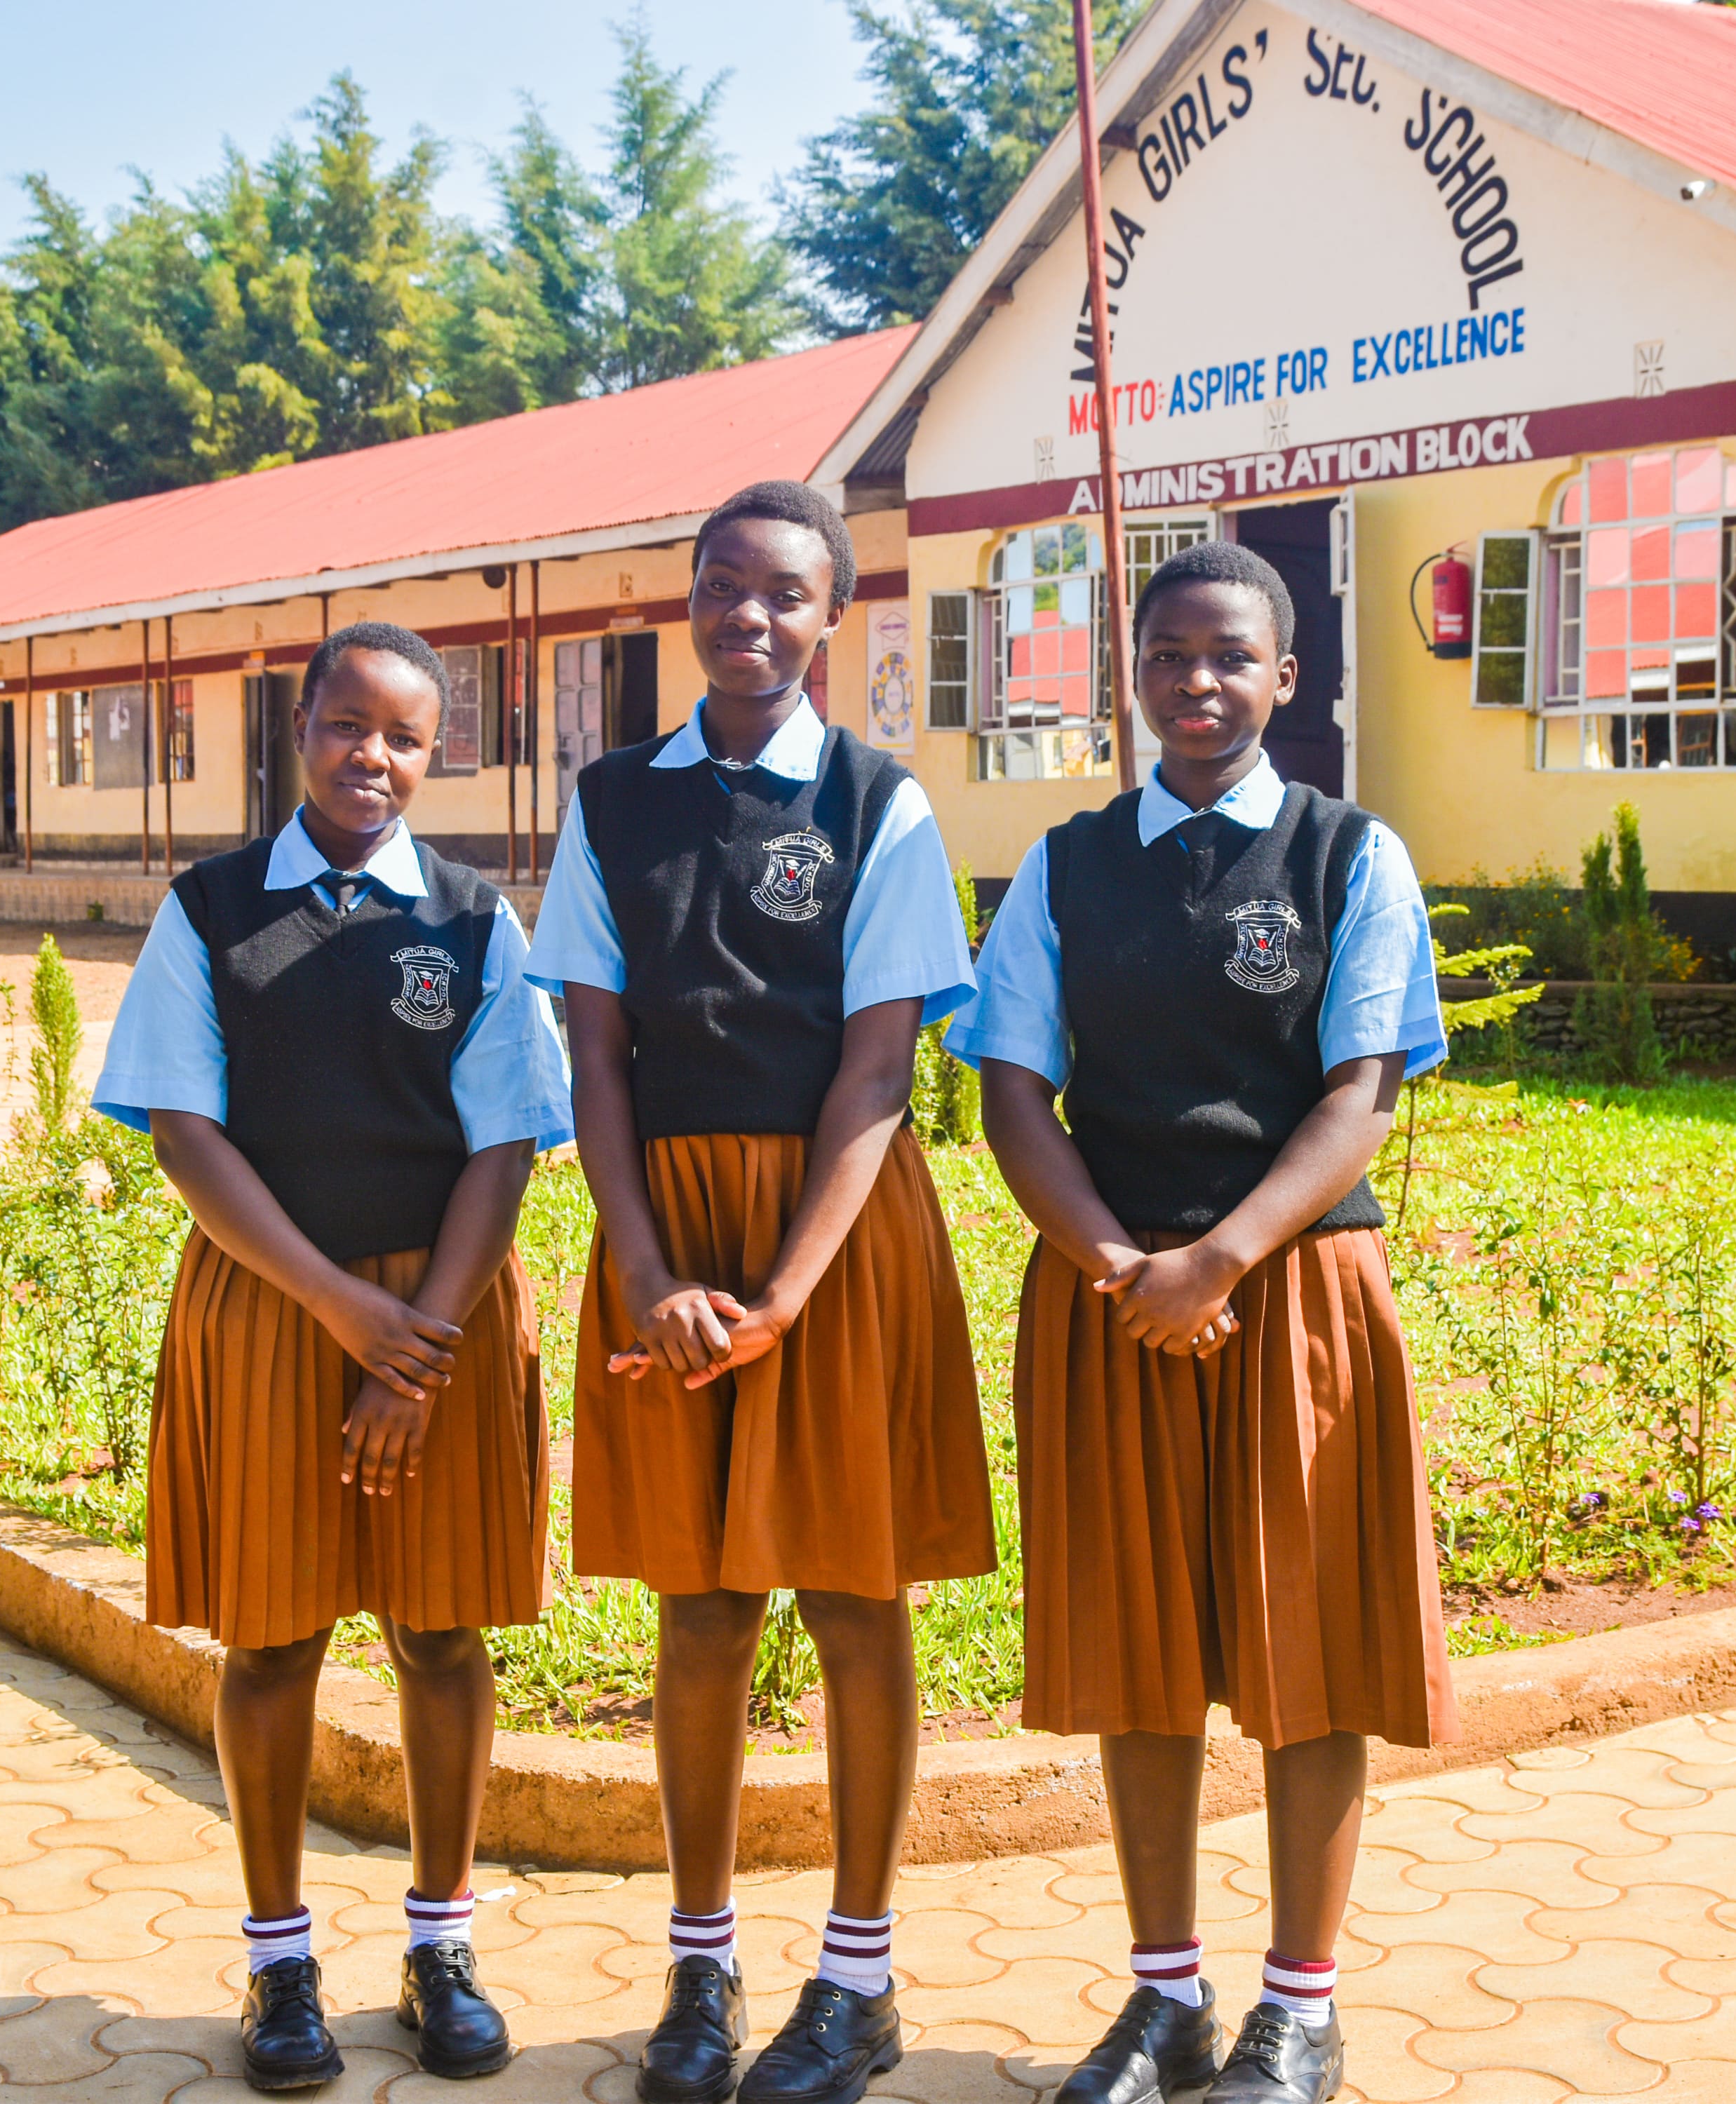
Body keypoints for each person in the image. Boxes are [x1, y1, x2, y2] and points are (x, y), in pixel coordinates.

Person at [947, 540, 1454, 2104]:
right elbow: (1012, 1090)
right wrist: (1119, 1263)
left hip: (1291, 1291)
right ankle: (1166, 1999)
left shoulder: (1347, 856)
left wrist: (1221, 1258)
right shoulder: (1065, 864)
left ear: (1284, 677)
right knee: (1137, 1653)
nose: (1198, 681)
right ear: (1135, 674)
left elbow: (1359, 1092)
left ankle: (1297, 2008)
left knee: (1316, 1652)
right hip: (1110, 1299)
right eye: (1167, 654)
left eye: (1231, 655)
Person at [525, 480, 994, 2104]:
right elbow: (592, 1046)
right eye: (722, 587)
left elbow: (879, 1068)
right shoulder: (614, 804)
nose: (747, 617)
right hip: (668, 1230)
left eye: (783, 594)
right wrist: (645, 1267)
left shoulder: (884, 805)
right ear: (691, 604)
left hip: (833, 1232)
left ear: (829, 616)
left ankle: (858, 1982)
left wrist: (790, 1289)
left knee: (856, 1599)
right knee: (701, 1606)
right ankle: (702, 1968)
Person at [93, 621, 572, 2093]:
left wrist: (407, 1344)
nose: (375, 757)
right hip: (271, 1305)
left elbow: (506, 1145)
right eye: (347, 725)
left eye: (407, 737)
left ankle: (441, 1946)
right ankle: (279, 1962)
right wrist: (337, 1312)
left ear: (440, 755)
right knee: (275, 1636)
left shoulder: (480, 923)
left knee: (439, 1632)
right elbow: (185, 1131)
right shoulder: (212, 911)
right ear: (297, 728)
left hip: (443, 1313)